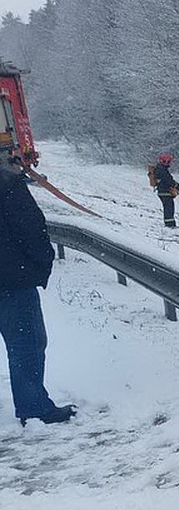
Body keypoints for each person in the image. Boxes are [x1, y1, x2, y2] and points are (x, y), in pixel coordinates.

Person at [0, 155, 76, 426]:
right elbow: (30, 227)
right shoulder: (6, 182)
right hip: (10, 281)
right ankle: (32, 406)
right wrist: (41, 262)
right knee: (26, 344)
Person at [152, 152, 179, 228]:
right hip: (165, 192)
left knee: (168, 208)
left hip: (161, 191)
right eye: (168, 161)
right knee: (169, 208)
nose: (169, 163)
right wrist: (177, 186)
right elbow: (169, 180)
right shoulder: (162, 170)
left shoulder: (158, 169)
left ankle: (169, 223)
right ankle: (170, 225)